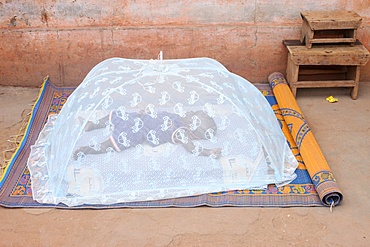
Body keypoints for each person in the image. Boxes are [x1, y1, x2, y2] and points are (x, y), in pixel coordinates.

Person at [73, 110, 222, 160]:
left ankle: (86, 150)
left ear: (193, 129)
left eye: (194, 116)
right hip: (138, 118)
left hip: (138, 132)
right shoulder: (178, 116)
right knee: (116, 114)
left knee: (111, 144)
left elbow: (191, 148)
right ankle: (92, 124)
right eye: (195, 112)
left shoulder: (180, 131)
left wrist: (208, 152)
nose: (191, 112)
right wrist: (146, 112)